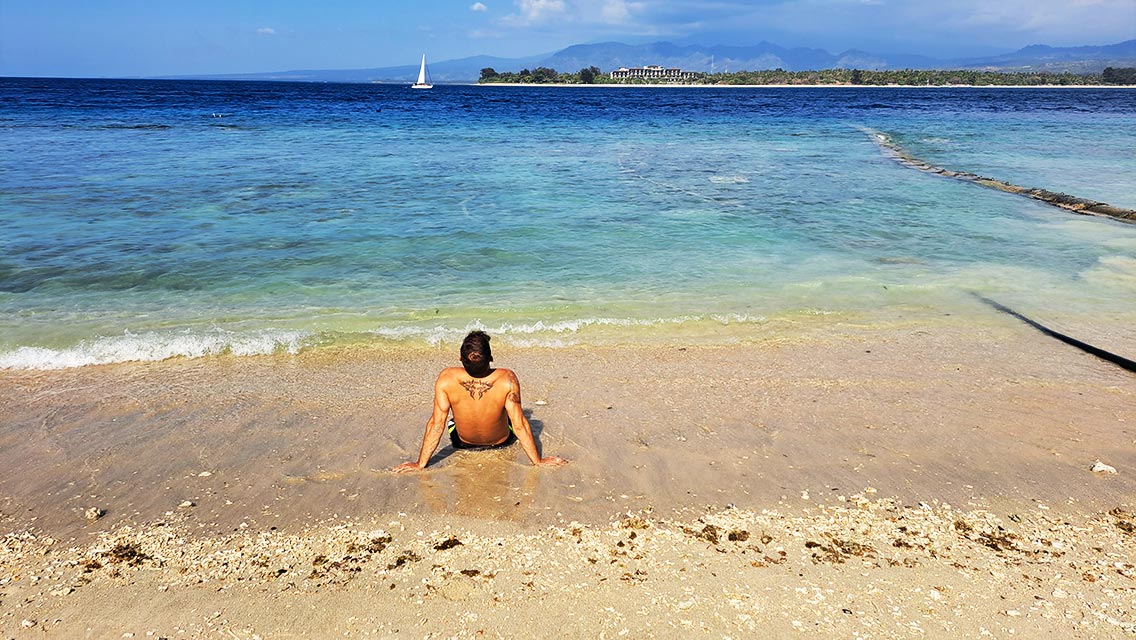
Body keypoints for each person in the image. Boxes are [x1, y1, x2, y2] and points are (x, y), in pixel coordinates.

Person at [393, 330, 567, 472]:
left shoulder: (446, 378)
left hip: (462, 444)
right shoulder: (507, 378)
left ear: (460, 358)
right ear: (490, 358)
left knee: (452, 420)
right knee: (512, 415)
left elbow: (437, 424)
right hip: (501, 442)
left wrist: (420, 464)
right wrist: (538, 461)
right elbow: (519, 424)